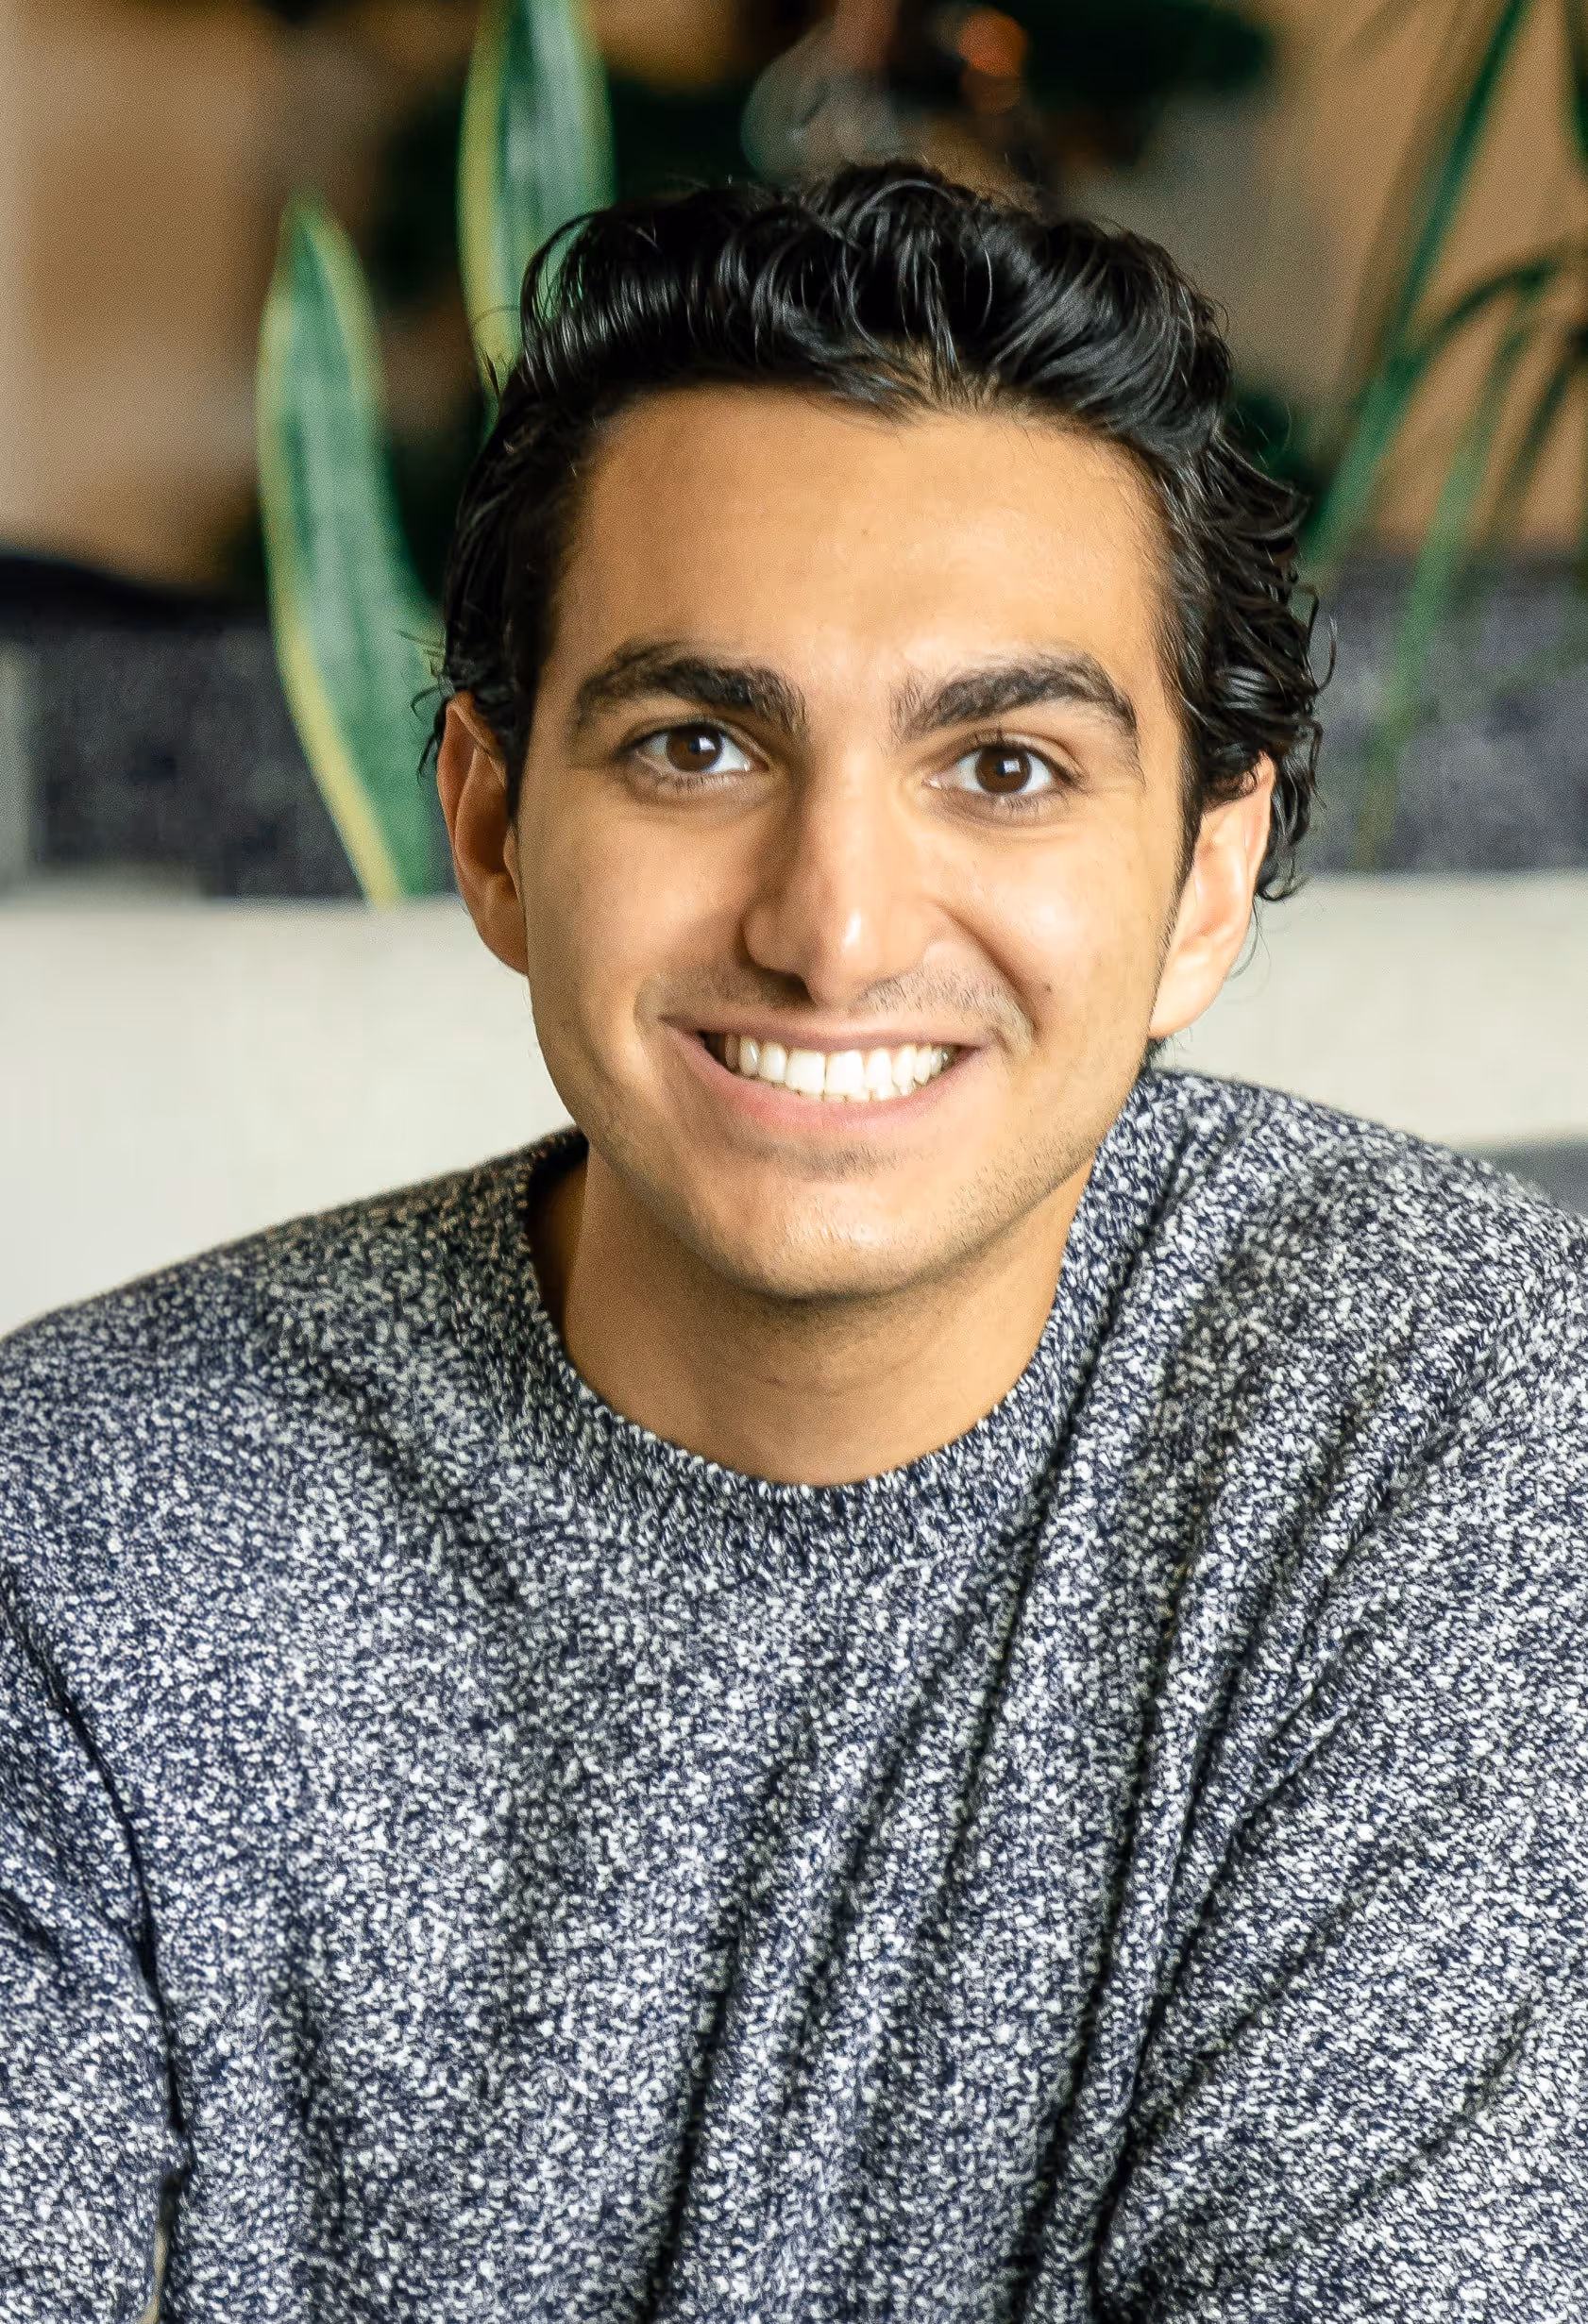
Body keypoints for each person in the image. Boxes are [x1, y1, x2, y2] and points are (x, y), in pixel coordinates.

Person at [2, 163, 1584, 2324]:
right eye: (695, 743)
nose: (831, 926)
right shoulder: (82, 1530)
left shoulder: (1448, 1411)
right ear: (490, 825)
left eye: (1005, 765)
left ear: (1209, 878)